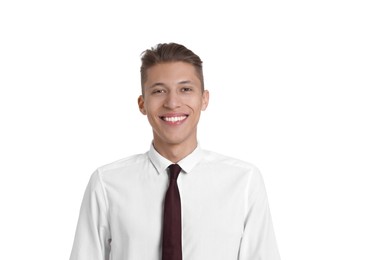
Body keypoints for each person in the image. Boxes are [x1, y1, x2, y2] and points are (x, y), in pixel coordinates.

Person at [69, 42, 280, 260]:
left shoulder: (244, 181)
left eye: (185, 89)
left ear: (204, 99)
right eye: (159, 91)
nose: (172, 103)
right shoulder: (106, 183)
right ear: (142, 103)